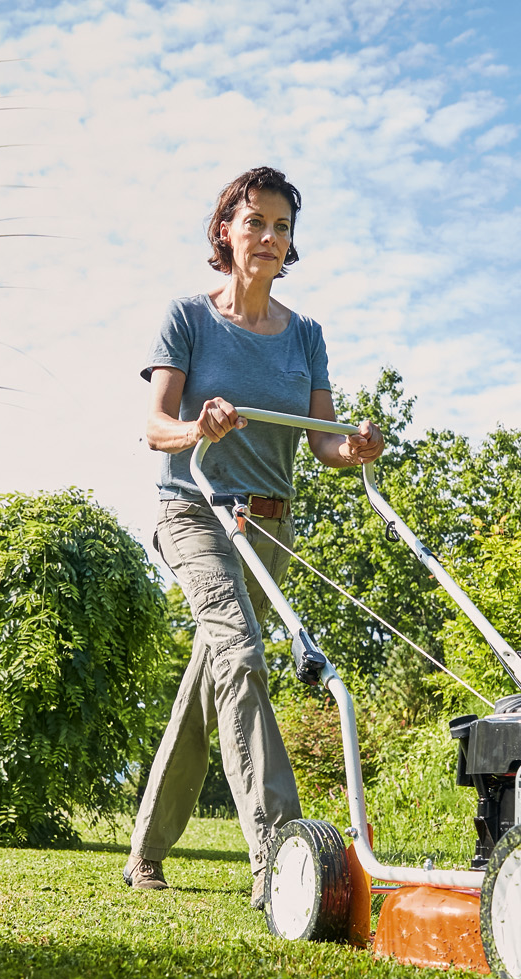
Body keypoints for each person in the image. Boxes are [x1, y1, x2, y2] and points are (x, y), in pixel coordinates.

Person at [126, 165, 384, 902]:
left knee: (213, 682)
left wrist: (353, 446)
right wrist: (196, 426)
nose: (269, 238)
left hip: (270, 526)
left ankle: (144, 850)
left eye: (282, 227)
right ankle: (280, 856)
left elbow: (326, 442)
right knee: (243, 657)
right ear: (224, 232)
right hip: (195, 511)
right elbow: (154, 428)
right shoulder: (188, 317)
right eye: (255, 223)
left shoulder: (305, 335)